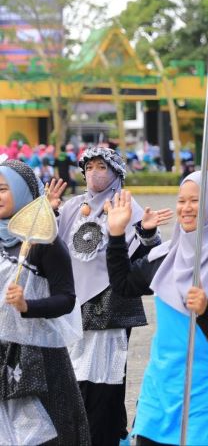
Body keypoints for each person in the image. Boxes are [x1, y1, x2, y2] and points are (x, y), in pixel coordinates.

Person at [105, 174, 208, 445]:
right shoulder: (165, 257)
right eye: (181, 201)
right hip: (161, 387)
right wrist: (116, 235)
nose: (186, 207)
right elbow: (123, 285)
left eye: (195, 201)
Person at [52, 146, 170, 446]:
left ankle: (104, 434)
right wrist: (49, 210)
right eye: (89, 167)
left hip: (111, 304)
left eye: (101, 167)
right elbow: (49, 245)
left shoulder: (127, 205)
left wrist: (147, 232)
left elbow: (146, 257)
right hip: (73, 304)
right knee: (75, 375)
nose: (94, 172)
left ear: (116, 172)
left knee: (105, 378)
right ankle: (91, 433)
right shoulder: (73, 206)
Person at [0, 159, 90, 445]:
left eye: (2, 189)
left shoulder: (45, 241)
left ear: (22, 190)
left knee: (46, 435)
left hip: (39, 357)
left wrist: (29, 306)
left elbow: (67, 299)